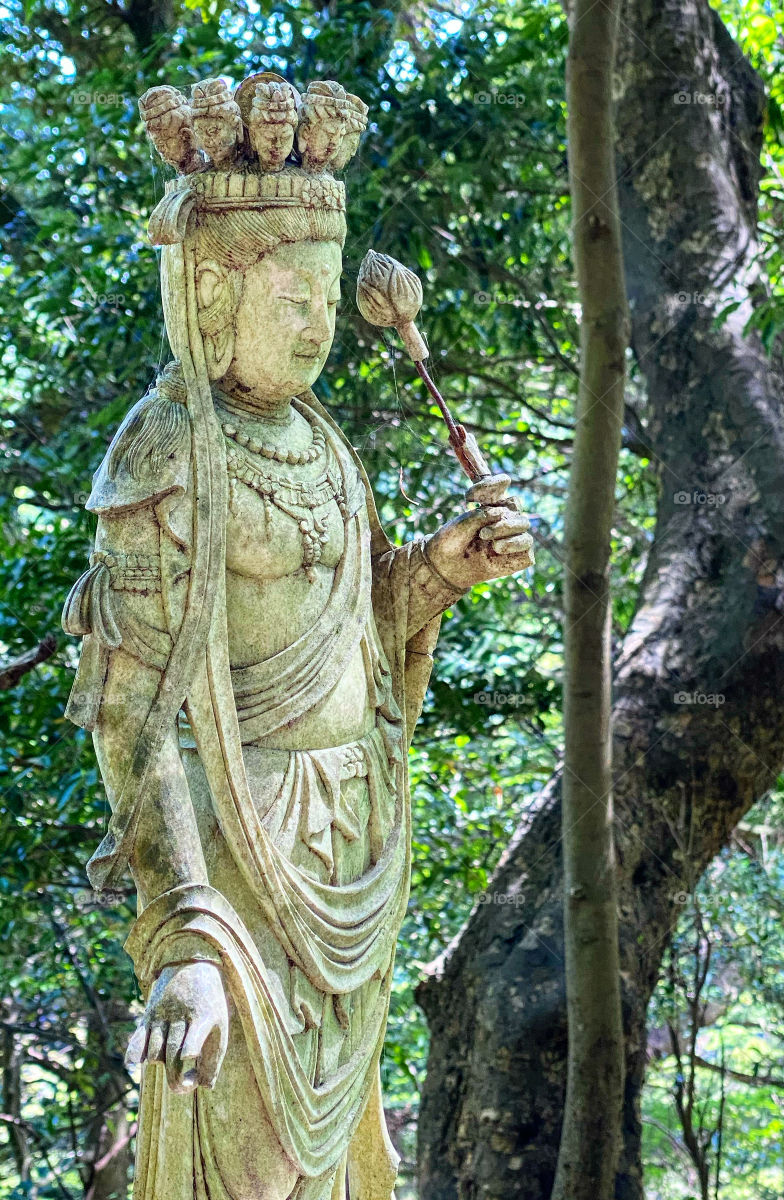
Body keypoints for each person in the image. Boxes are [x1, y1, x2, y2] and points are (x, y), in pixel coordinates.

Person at [62, 72, 534, 1200]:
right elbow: (134, 710)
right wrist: (182, 935)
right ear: (216, 295)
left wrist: (434, 573)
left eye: (327, 298)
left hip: (349, 839)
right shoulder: (167, 448)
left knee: (334, 1162)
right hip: (238, 848)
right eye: (292, 300)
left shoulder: (323, 441)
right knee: (251, 1164)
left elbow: (356, 632)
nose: (319, 323)